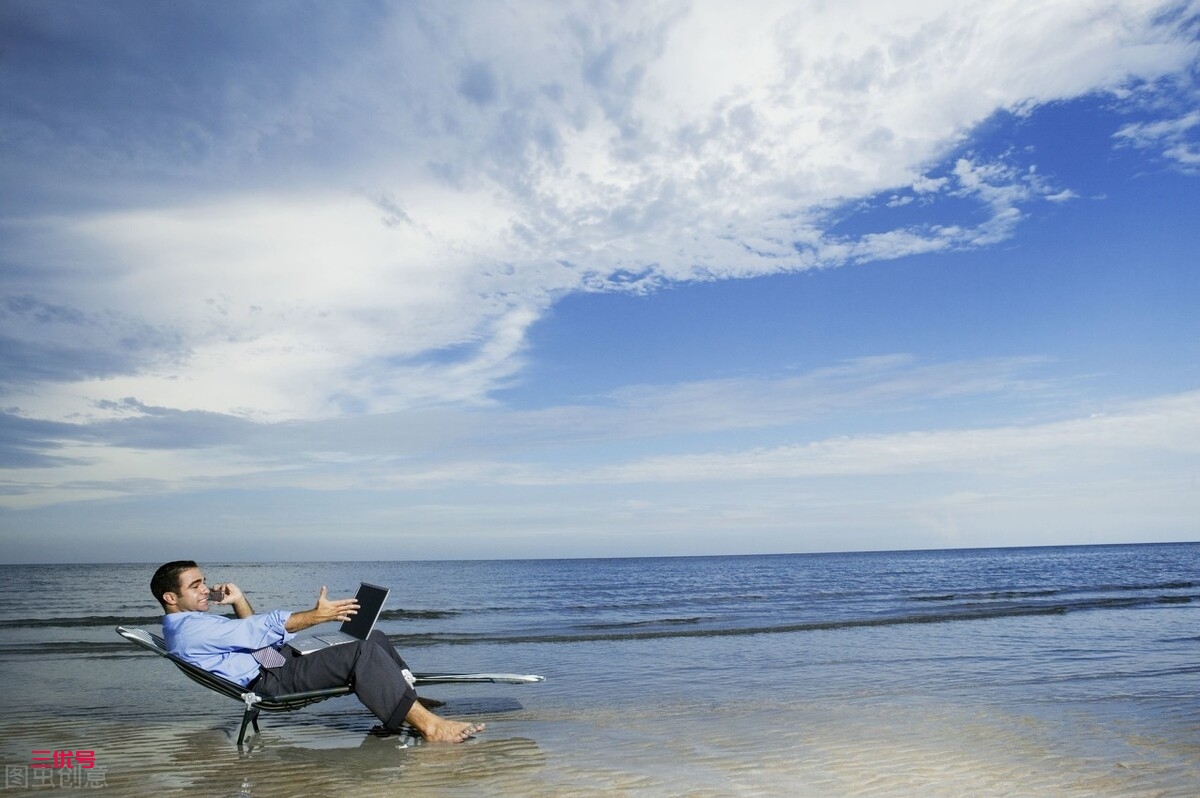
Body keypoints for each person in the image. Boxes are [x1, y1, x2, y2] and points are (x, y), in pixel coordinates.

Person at [151, 560, 484, 743]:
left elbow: (253, 637)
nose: (205, 589)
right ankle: (431, 727)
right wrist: (316, 616)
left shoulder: (190, 625)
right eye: (195, 586)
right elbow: (258, 630)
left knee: (373, 636)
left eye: (203, 581)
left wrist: (238, 599)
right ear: (170, 597)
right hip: (271, 680)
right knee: (361, 652)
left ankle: (407, 704)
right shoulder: (192, 631)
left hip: (273, 662)